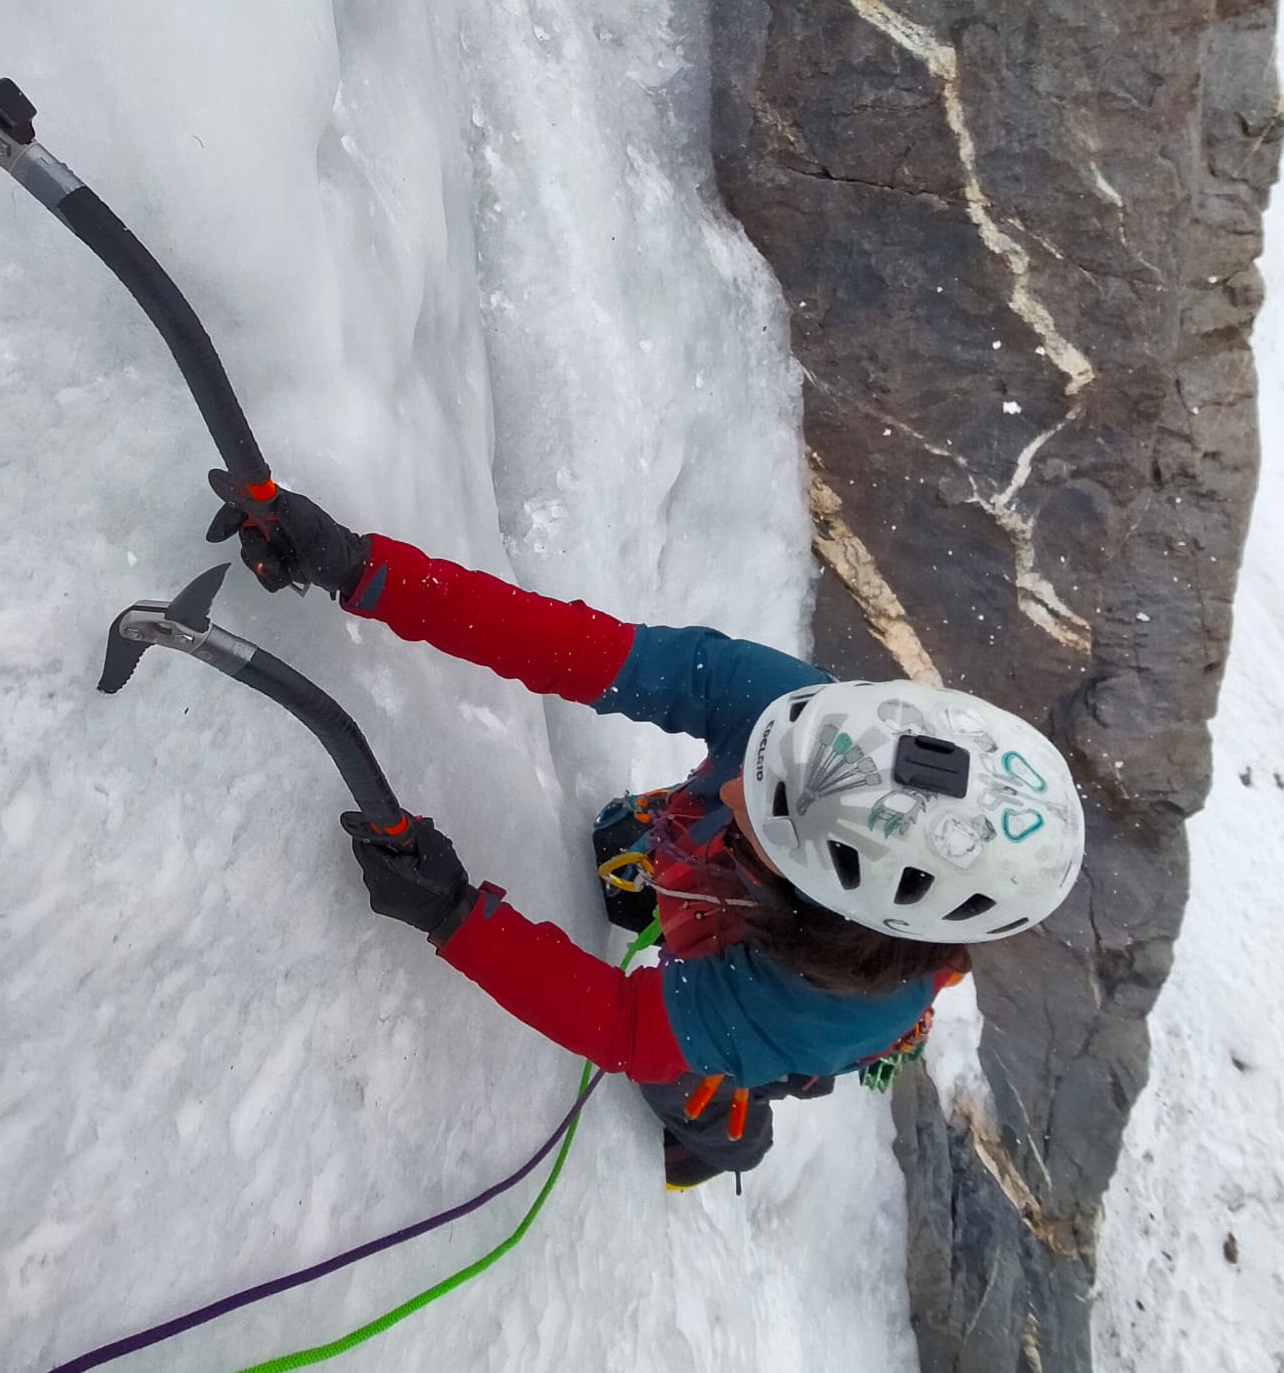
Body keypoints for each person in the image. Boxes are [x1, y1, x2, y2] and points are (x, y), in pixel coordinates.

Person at [208, 475, 1086, 1191]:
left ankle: (724, 1140)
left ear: (818, 901)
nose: (736, 779)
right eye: (765, 759)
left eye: (767, 820)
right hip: (718, 890)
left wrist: (453, 914)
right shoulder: (802, 717)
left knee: (690, 1079)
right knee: (643, 841)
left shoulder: (806, 1007)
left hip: (759, 1013)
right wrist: (363, 570)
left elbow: (625, 1027)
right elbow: (578, 652)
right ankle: (662, 889)